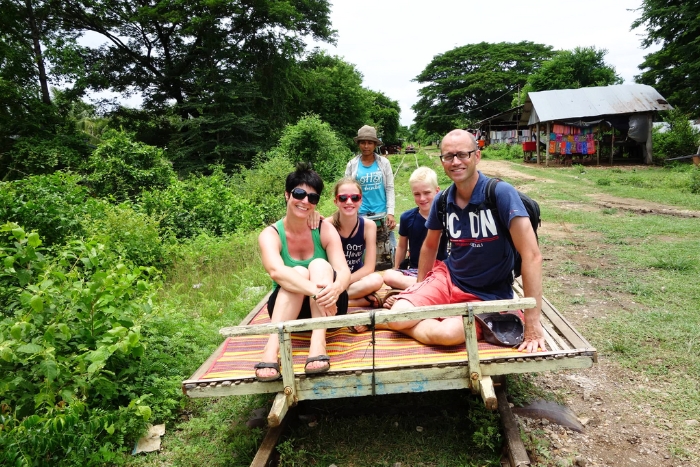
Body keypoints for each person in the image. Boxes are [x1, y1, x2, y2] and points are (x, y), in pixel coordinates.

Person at [362, 129, 546, 353]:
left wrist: (533, 323)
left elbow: (532, 256)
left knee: (446, 334)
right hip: (448, 279)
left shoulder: (500, 193)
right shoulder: (442, 200)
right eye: (448, 156)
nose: (455, 161)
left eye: (462, 154)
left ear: (476, 156)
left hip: (488, 294)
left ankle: (389, 321)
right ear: (442, 161)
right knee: (400, 317)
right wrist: (420, 288)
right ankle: (403, 319)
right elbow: (429, 246)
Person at [255, 163, 351, 381]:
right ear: (287, 195)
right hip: (289, 310)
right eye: (299, 194)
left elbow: (343, 271)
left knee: (319, 264)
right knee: (296, 271)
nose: (305, 201)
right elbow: (276, 271)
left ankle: (318, 342)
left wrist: (335, 289)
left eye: (313, 198)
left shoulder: (325, 229)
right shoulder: (270, 234)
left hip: (329, 306)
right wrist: (314, 291)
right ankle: (272, 348)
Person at [382, 167, 448, 307]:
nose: (422, 198)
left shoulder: (446, 216)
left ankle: (410, 292)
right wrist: (396, 267)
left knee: (449, 279)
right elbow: (401, 245)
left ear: (437, 191)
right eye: (417, 194)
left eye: (427, 193)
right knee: (388, 275)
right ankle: (425, 289)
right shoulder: (407, 217)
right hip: (414, 271)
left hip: (439, 271)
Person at [330, 178, 385, 307]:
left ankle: (342, 301)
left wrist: (343, 283)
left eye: (354, 197)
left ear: (360, 201)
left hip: (354, 281)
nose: (349, 202)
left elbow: (369, 267)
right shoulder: (327, 225)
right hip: (333, 281)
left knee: (376, 280)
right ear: (336, 201)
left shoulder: (368, 226)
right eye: (343, 198)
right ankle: (355, 301)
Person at [345, 125, 396, 230]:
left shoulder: (384, 163)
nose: (366, 146)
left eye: (370, 143)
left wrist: (390, 213)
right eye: (363, 143)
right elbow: (346, 191)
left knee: (387, 244)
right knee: (362, 245)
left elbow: (389, 188)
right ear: (359, 144)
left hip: (381, 213)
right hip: (360, 214)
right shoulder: (352, 165)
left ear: (375, 144)